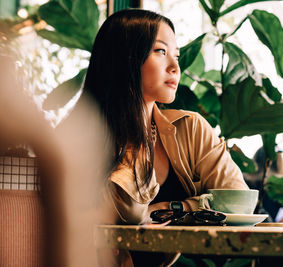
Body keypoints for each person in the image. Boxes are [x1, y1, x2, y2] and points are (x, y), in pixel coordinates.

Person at [83, 8, 249, 266]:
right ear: (126, 58)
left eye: (177, 55)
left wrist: (174, 208)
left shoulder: (190, 128)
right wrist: (136, 136)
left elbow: (238, 202)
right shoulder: (83, 137)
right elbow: (129, 211)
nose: (175, 67)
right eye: (160, 51)